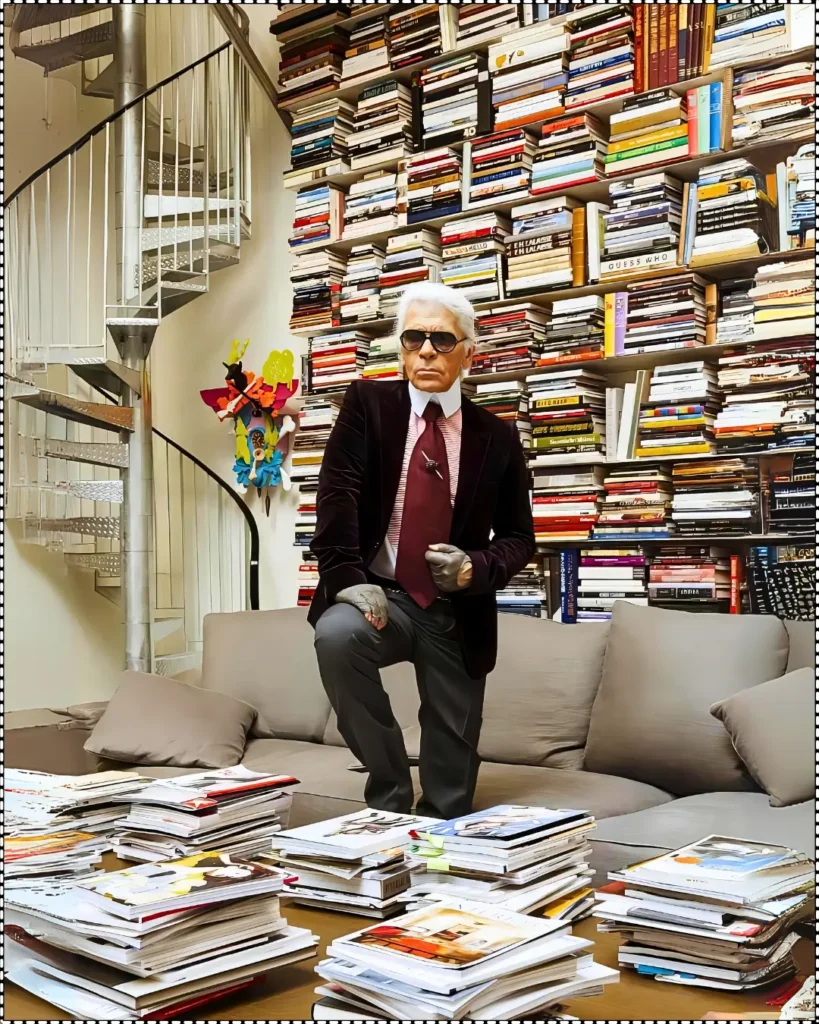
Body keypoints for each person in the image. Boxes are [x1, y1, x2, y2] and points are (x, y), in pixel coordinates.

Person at [308, 281, 535, 820]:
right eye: (414, 339)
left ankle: (439, 839)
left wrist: (473, 569)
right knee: (336, 638)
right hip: (379, 597)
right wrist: (343, 576)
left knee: (453, 788)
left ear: (468, 352)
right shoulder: (367, 406)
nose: (427, 351)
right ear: (401, 348)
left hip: (456, 608)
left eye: (442, 340)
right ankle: (388, 797)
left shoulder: (496, 436)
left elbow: (519, 537)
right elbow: (336, 494)